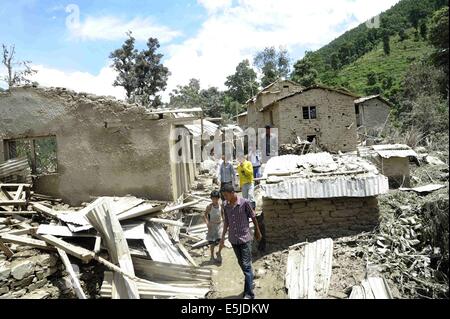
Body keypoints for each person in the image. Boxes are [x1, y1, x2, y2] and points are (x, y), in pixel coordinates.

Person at [220, 184, 262, 299]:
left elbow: (253, 216)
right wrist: (223, 237)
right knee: (242, 264)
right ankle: (250, 281)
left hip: (245, 239)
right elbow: (226, 222)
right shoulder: (225, 206)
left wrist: (257, 231)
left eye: (226, 195)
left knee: (247, 265)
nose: (225, 198)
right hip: (233, 240)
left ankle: (249, 294)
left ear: (233, 193)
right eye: (223, 196)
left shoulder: (244, 203)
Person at [204, 190, 224, 263]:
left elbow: (222, 215)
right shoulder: (209, 207)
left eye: (216, 198)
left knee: (222, 241)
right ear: (211, 198)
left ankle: (219, 252)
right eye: (213, 198)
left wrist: (225, 223)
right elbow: (205, 215)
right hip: (212, 226)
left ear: (218, 198)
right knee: (212, 243)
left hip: (220, 225)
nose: (214, 200)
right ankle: (212, 256)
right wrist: (207, 223)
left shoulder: (221, 205)